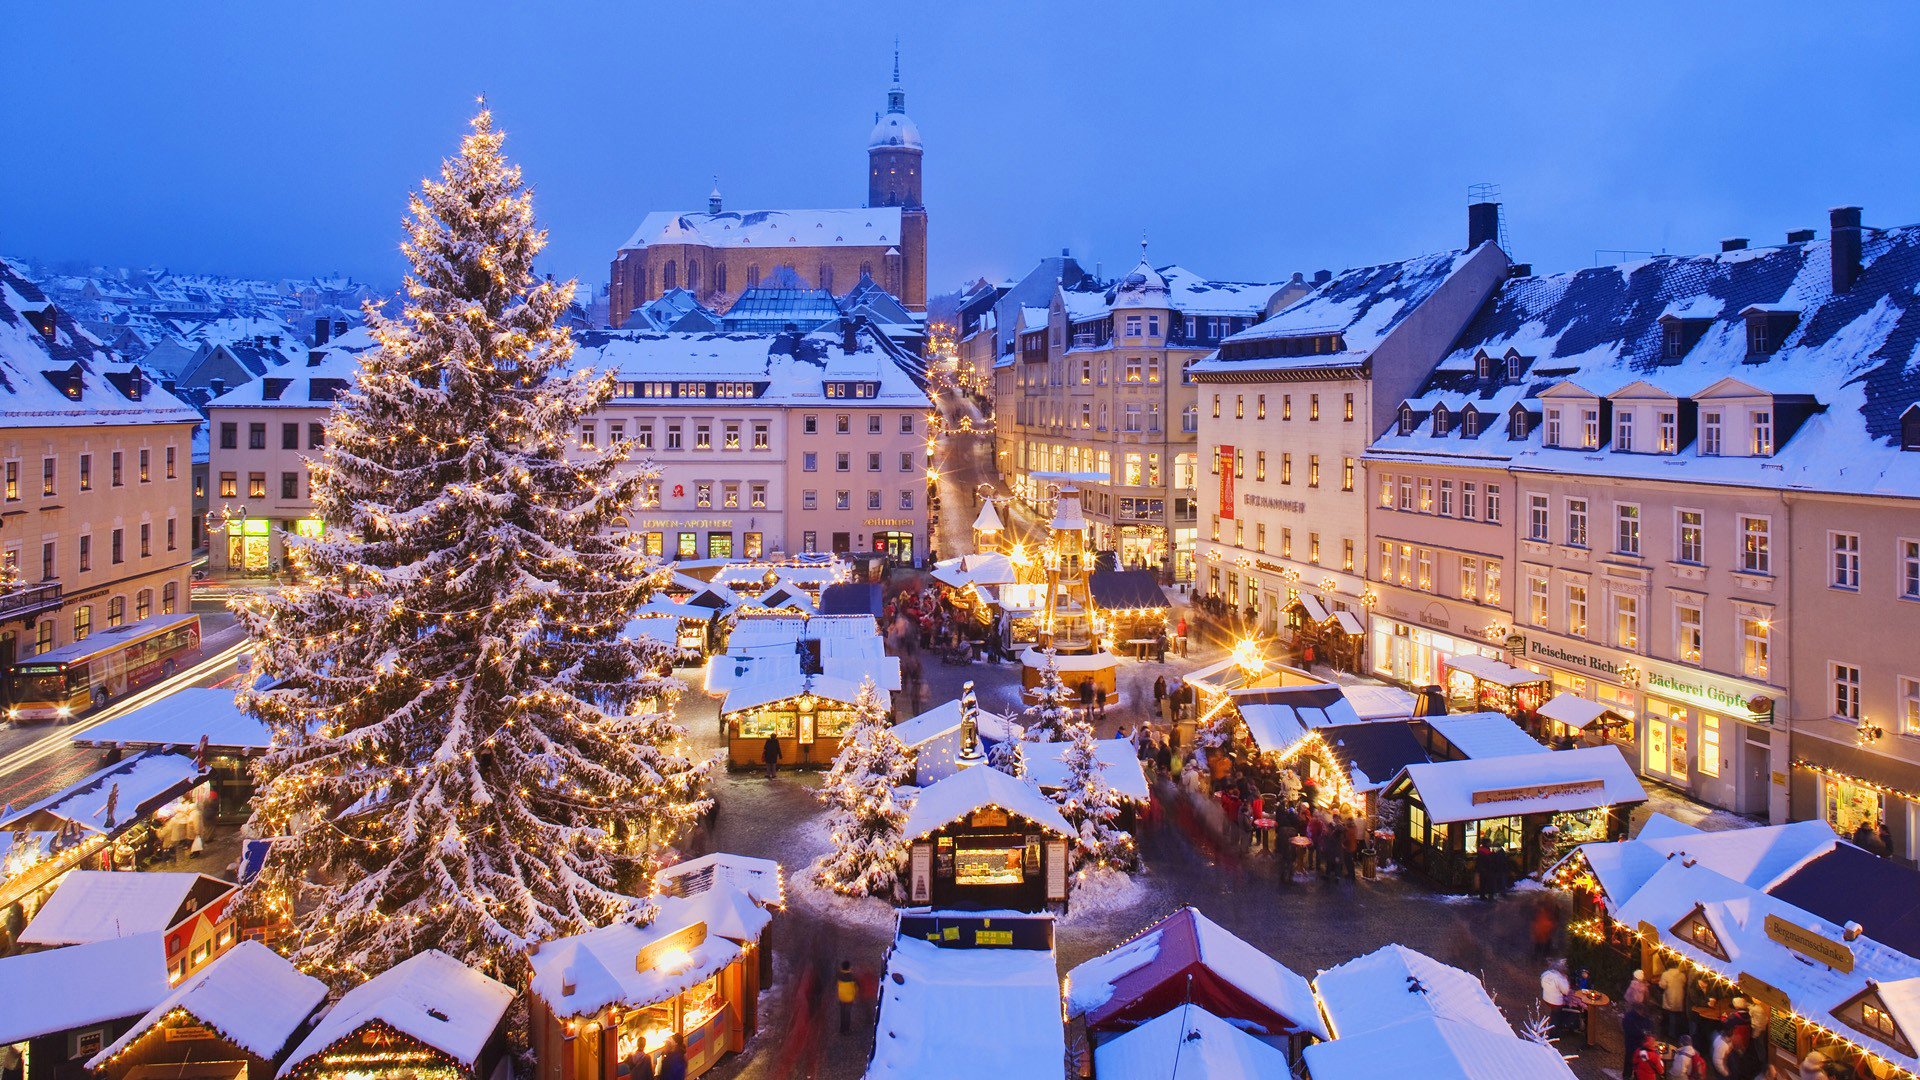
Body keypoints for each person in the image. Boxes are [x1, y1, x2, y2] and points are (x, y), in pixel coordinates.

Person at [1623, 1001, 1656, 1080]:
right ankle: (1627, 1075)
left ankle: (1637, 1076)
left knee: (1640, 1061)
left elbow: (1650, 1026)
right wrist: (1641, 1033)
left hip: (1641, 1044)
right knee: (1629, 1059)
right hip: (1632, 1043)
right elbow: (1628, 1030)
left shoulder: (1645, 1017)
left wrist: (1648, 1033)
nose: (1643, 1012)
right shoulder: (1629, 1017)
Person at [1541, 959, 1573, 1039]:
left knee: (1554, 1014)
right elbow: (1566, 991)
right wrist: (1566, 980)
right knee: (1555, 1016)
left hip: (1546, 997)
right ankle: (1553, 1034)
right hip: (1555, 1001)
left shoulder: (1546, 974)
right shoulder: (1560, 978)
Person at [1660, 962, 1690, 1042]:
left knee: (1669, 1017)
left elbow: (1662, 986)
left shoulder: (1665, 974)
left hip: (1669, 999)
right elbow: (1684, 984)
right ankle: (1676, 1034)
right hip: (1679, 1000)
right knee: (1677, 1017)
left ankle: (1669, 1035)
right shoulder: (1682, 975)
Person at [836, 960, 858, 1035]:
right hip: (849, 998)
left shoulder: (839, 975)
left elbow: (837, 984)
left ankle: (841, 1029)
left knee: (842, 1013)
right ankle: (847, 1030)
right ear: (849, 967)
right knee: (847, 1014)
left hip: (841, 997)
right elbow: (855, 987)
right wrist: (855, 995)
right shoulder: (852, 976)